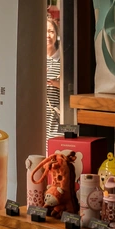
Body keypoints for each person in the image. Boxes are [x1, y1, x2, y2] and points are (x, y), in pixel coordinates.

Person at [46, 16, 62, 145]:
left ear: (56, 35)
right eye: (45, 31)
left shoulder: (62, 60)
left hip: (56, 118)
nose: (48, 35)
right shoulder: (34, 59)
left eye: (51, 31)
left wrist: (58, 84)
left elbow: (71, 87)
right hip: (39, 117)